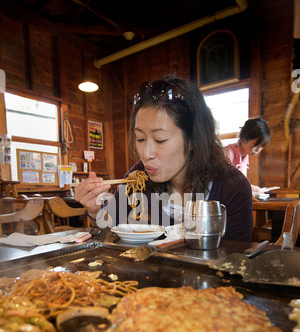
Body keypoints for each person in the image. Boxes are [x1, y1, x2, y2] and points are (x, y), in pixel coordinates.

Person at [74, 74, 254, 242]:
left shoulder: (232, 187)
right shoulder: (140, 175)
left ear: (193, 140)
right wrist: (94, 209)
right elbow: (106, 223)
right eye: (140, 139)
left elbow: (237, 258)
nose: (146, 154)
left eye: (160, 140)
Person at [224, 117, 271, 195]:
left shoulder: (244, 157)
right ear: (243, 139)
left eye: (261, 147)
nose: (258, 150)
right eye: (256, 146)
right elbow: (226, 183)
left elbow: (238, 181)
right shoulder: (227, 153)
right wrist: (248, 191)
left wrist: (255, 189)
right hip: (204, 194)